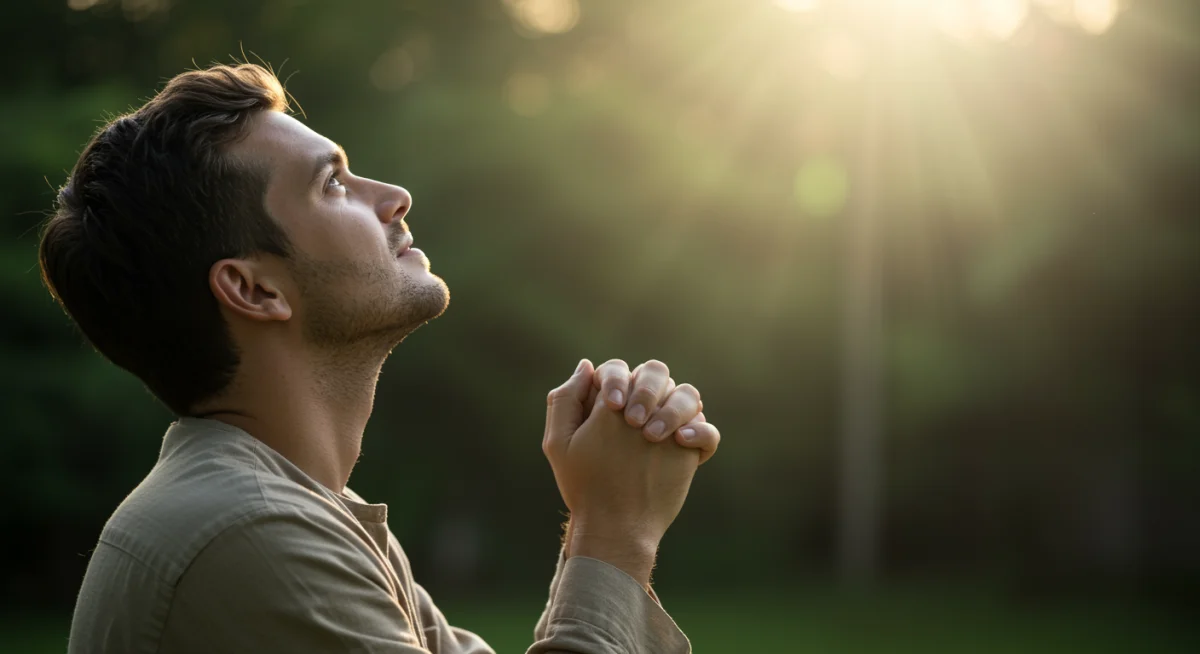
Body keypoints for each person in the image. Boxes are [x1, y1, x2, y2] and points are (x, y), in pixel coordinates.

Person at [39, 63, 722, 653]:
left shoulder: (307, 511)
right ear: (253, 289)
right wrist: (613, 531)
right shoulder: (250, 531)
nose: (393, 198)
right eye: (332, 184)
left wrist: (600, 523)